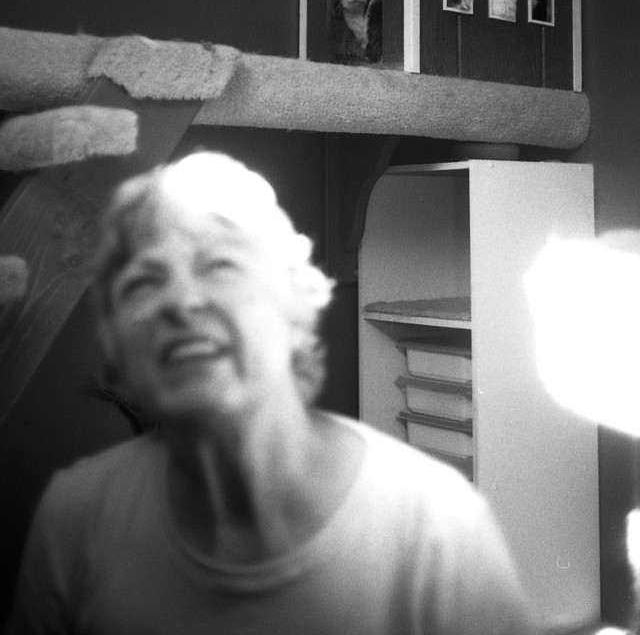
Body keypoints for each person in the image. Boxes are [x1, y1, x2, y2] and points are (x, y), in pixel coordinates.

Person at [6, 151, 537, 634]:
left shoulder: (436, 523)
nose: (182, 302)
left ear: (292, 303)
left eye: (220, 266)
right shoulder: (74, 515)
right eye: (145, 282)